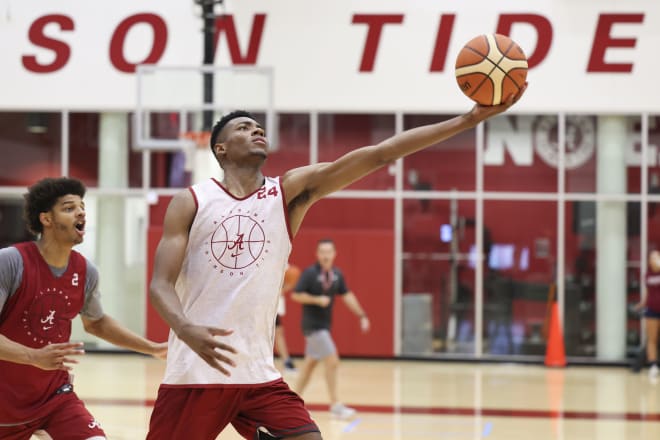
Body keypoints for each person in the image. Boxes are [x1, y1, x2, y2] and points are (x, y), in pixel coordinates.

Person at [147, 85, 525, 439]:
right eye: (244, 128)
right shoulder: (191, 201)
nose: (257, 130)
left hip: (257, 375)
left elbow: (381, 153)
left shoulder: (288, 192)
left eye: (259, 127)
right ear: (221, 149)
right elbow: (160, 285)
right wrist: (185, 328)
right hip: (196, 373)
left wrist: (468, 120)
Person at [0, 177, 167, 440]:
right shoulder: (10, 262)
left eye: (82, 207)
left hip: (54, 398)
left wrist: (153, 348)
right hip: (5, 403)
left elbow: (96, 322)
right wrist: (34, 356)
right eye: (68, 208)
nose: (80, 212)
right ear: (46, 219)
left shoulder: (84, 270)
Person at [291, 239, 370, 419]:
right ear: (317, 254)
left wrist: (362, 315)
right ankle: (335, 404)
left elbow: (347, 295)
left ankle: (291, 403)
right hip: (313, 326)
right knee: (332, 361)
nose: (325, 255)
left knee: (309, 367)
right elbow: (296, 295)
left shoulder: (337, 274)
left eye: (329, 252)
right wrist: (316, 300)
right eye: (322, 252)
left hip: (324, 325)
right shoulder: (310, 273)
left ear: (334, 254)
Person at [635, 249, 660, 379]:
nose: (653, 260)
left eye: (656, 257)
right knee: (652, 339)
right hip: (652, 310)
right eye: (651, 258)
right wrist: (642, 304)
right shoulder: (648, 275)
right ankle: (653, 366)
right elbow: (648, 292)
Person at [276, 263, 301, 372]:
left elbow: (291, 276)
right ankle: (286, 361)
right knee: (277, 332)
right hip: (264, 302)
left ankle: (286, 361)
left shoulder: (282, 262)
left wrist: (287, 286)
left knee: (278, 332)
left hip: (273, 302)